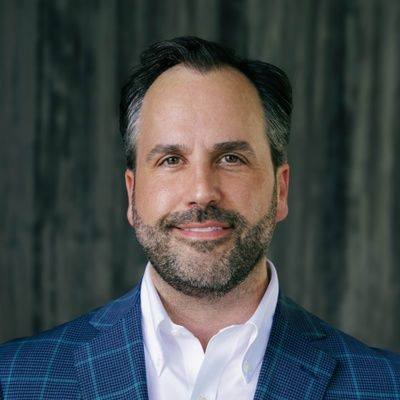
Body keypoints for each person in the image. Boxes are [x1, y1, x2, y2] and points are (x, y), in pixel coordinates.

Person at [0, 36, 399, 400]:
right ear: (132, 194)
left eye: (231, 158)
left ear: (280, 190)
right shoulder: (14, 380)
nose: (202, 190)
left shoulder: (387, 386)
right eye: (171, 160)